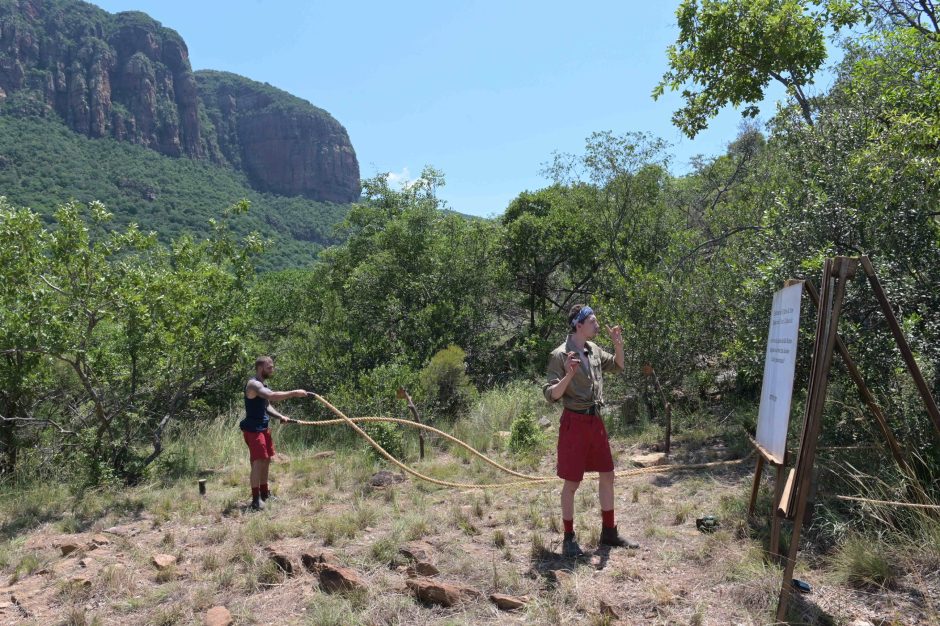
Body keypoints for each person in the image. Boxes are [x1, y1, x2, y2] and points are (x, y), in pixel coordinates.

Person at [542, 304, 639, 557]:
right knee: (572, 482)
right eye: (593, 321)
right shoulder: (560, 355)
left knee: (608, 474)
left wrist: (618, 344)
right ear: (579, 325)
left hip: (595, 421)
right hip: (574, 423)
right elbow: (551, 395)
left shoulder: (593, 349)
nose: (597, 325)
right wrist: (569, 376)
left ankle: (609, 533)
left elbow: (617, 366)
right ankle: (569, 537)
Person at [241, 356, 307, 511]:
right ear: (260, 368)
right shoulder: (253, 384)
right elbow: (271, 396)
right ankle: (255, 500)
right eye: (269, 367)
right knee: (257, 462)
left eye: (272, 367)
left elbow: (267, 406)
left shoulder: (263, 384)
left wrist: (280, 416)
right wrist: (294, 393)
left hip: (263, 427)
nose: (272, 369)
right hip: (253, 429)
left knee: (266, 460)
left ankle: (264, 494)